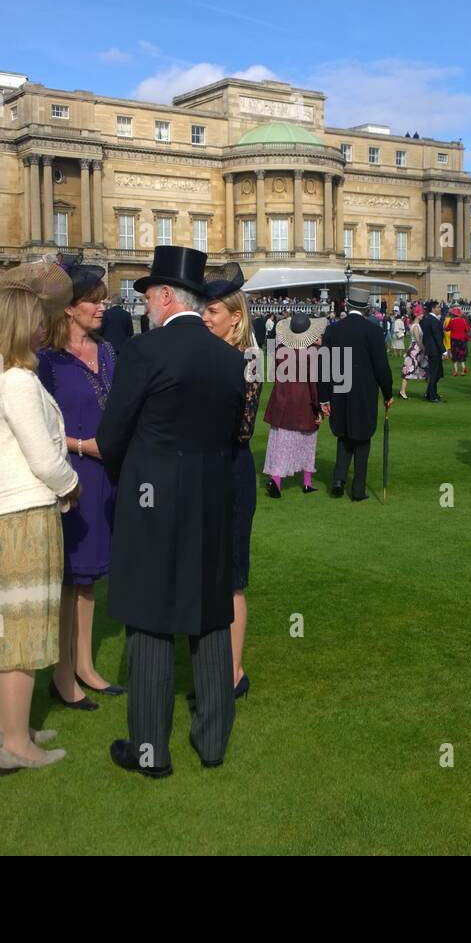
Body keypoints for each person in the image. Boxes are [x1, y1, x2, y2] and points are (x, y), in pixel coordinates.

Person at [97, 246, 244, 776]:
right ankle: (213, 744)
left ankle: (150, 751)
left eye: (147, 297)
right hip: (209, 496)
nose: (145, 307)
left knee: (150, 617)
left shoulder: (144, 352)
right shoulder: (230, 358)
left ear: (163, 296)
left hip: (151, 499)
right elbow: (230, 438)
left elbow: (112, 438)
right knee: (209, 614)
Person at [0, 263, 77, 775]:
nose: (42, 325)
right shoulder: (21, 382)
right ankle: (16, 743)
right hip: (23, 516)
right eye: (35, 317)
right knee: (21, 634)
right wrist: (71, 486)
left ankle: (8, 727)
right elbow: (45, 458)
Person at [37, 262, 123, 709]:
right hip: (70, 475)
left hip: (107, 476)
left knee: (90, 579)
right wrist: (84, 445)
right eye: (94, 300)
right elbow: (39, 428)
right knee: (69, 579)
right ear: (69, 309)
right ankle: (61, 673)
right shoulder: (46, 361)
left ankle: (85, 665)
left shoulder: (108, 351)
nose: (102, 306)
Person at [202, 264, 261, 698]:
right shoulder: (204, 354)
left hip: (231, 469)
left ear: (236, 317)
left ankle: (233, 672)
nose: (206, 317)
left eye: (214, 311)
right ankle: (211, 670)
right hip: (203, 470)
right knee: (205, 573)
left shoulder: (248, 361)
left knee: (231, 577)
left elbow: (242, 430)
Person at [318, 287, 393, 502]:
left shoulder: (333, 330)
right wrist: (387, 393)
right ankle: (358, 489)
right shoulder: (373, 331)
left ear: (347, 305)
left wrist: (324, 397)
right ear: (366, 308)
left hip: (339, 389)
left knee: (344, 435)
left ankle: (338, 480)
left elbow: (324, 367)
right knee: (362, 439)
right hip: (364, 390)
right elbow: (382, 367)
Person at [263, 310, 324, 497]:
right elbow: (314, 385)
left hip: (282, 401)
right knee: (307, 444)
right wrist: (318, 408)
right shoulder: (313, 353)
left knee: (280, 443)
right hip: (304, 403)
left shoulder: (280, 350)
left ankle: (276, 481)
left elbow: (274, 375)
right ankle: (306, 482)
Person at [399, 310, 428, 399]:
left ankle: (428, 391)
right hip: (415, 349)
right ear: (417, 315)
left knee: (425, 370)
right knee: (409, 370)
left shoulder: (417, 325)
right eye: (421, 314)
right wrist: (424, 349)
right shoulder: (415, 326)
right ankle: (402, 391)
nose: (423, 315)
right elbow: (417, 340)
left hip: (416, 349)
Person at [421, 300, 445, 402]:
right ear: (433, 309)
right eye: (438, 307)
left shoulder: (427, 319)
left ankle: (431, 393)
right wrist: (444, 351)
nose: (440, 309)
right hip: (435, 350)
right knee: (435, 373)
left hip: (431, 349)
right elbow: (437, 337)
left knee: (437, 372)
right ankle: (432, 396)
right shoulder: (434, 320)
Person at [446, 306, 471, 377]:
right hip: (462, 340)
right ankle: (463, 370)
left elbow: (447, 329)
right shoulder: (463, 320)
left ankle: (456, 371)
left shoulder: (452, 321)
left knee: (454, 355)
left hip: (454, 339)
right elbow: (468, 329)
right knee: (462, 354)